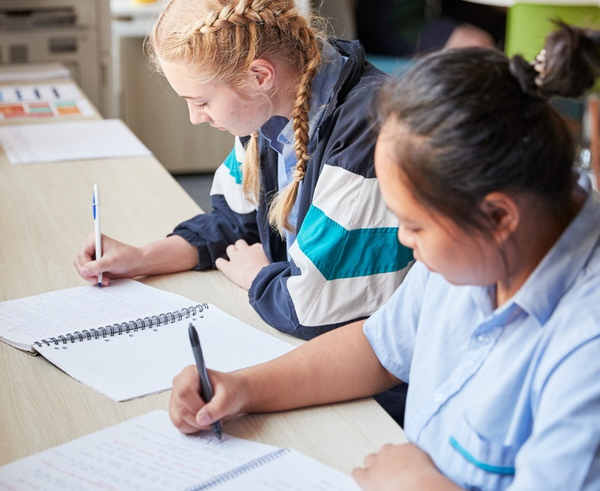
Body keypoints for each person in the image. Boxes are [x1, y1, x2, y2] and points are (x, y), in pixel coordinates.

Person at [168, 23, 600, 490]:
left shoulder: (585, 348)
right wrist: (247, 388)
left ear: (499, 216)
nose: (405, 241)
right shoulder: (481, 246)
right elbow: (379, 347)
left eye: (413, 226)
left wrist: (420, 485)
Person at [74, 0, 413, 341]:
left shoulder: (367, 133)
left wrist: (257, 276)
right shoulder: (272, 109)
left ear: (260, 76)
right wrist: (142, 258)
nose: (195, 117)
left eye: (202, 101)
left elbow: (315, 309)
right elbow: (234, 225)